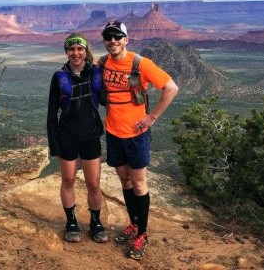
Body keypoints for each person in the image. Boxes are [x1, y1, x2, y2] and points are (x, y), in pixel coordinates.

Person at [98, 21, 179, 260]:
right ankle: (133, 224)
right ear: (104, 40)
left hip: (136, 135)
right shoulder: (102, 63)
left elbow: (171, 87)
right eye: (108, 36)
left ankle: (142, 233)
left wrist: (151, 117)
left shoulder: (140, 63)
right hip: (113, 133)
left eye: (117, 36)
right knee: (124, 181)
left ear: (126, 39)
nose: (113, 40)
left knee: (139, 184)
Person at [46, 33, 108, 243]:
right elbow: (52, 112)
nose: (76, 53)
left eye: (79, 49)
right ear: (67, 52)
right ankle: (71, 221)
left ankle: (95, 221)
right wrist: (53, 142)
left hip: (90, 135)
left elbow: (108, 99)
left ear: (85, 51)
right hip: (67, 136)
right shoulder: (59, 76)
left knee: (93, 182)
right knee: (68, 180)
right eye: (71, 49)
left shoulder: (95, 74)